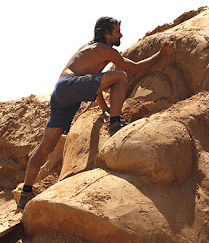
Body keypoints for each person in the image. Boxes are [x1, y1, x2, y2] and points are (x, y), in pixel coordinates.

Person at [16, 16, 176, 212]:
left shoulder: (90, 50)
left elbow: (93, 87)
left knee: (44, 148)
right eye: (117, 31)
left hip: (61, 93)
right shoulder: (104, 50)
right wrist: (161, 54)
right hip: (70, 87)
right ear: (106, 33)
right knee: (120, 76)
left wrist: (104, 109)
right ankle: (116, 123)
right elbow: (134, 67)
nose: (121, 35)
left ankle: (26, 192)